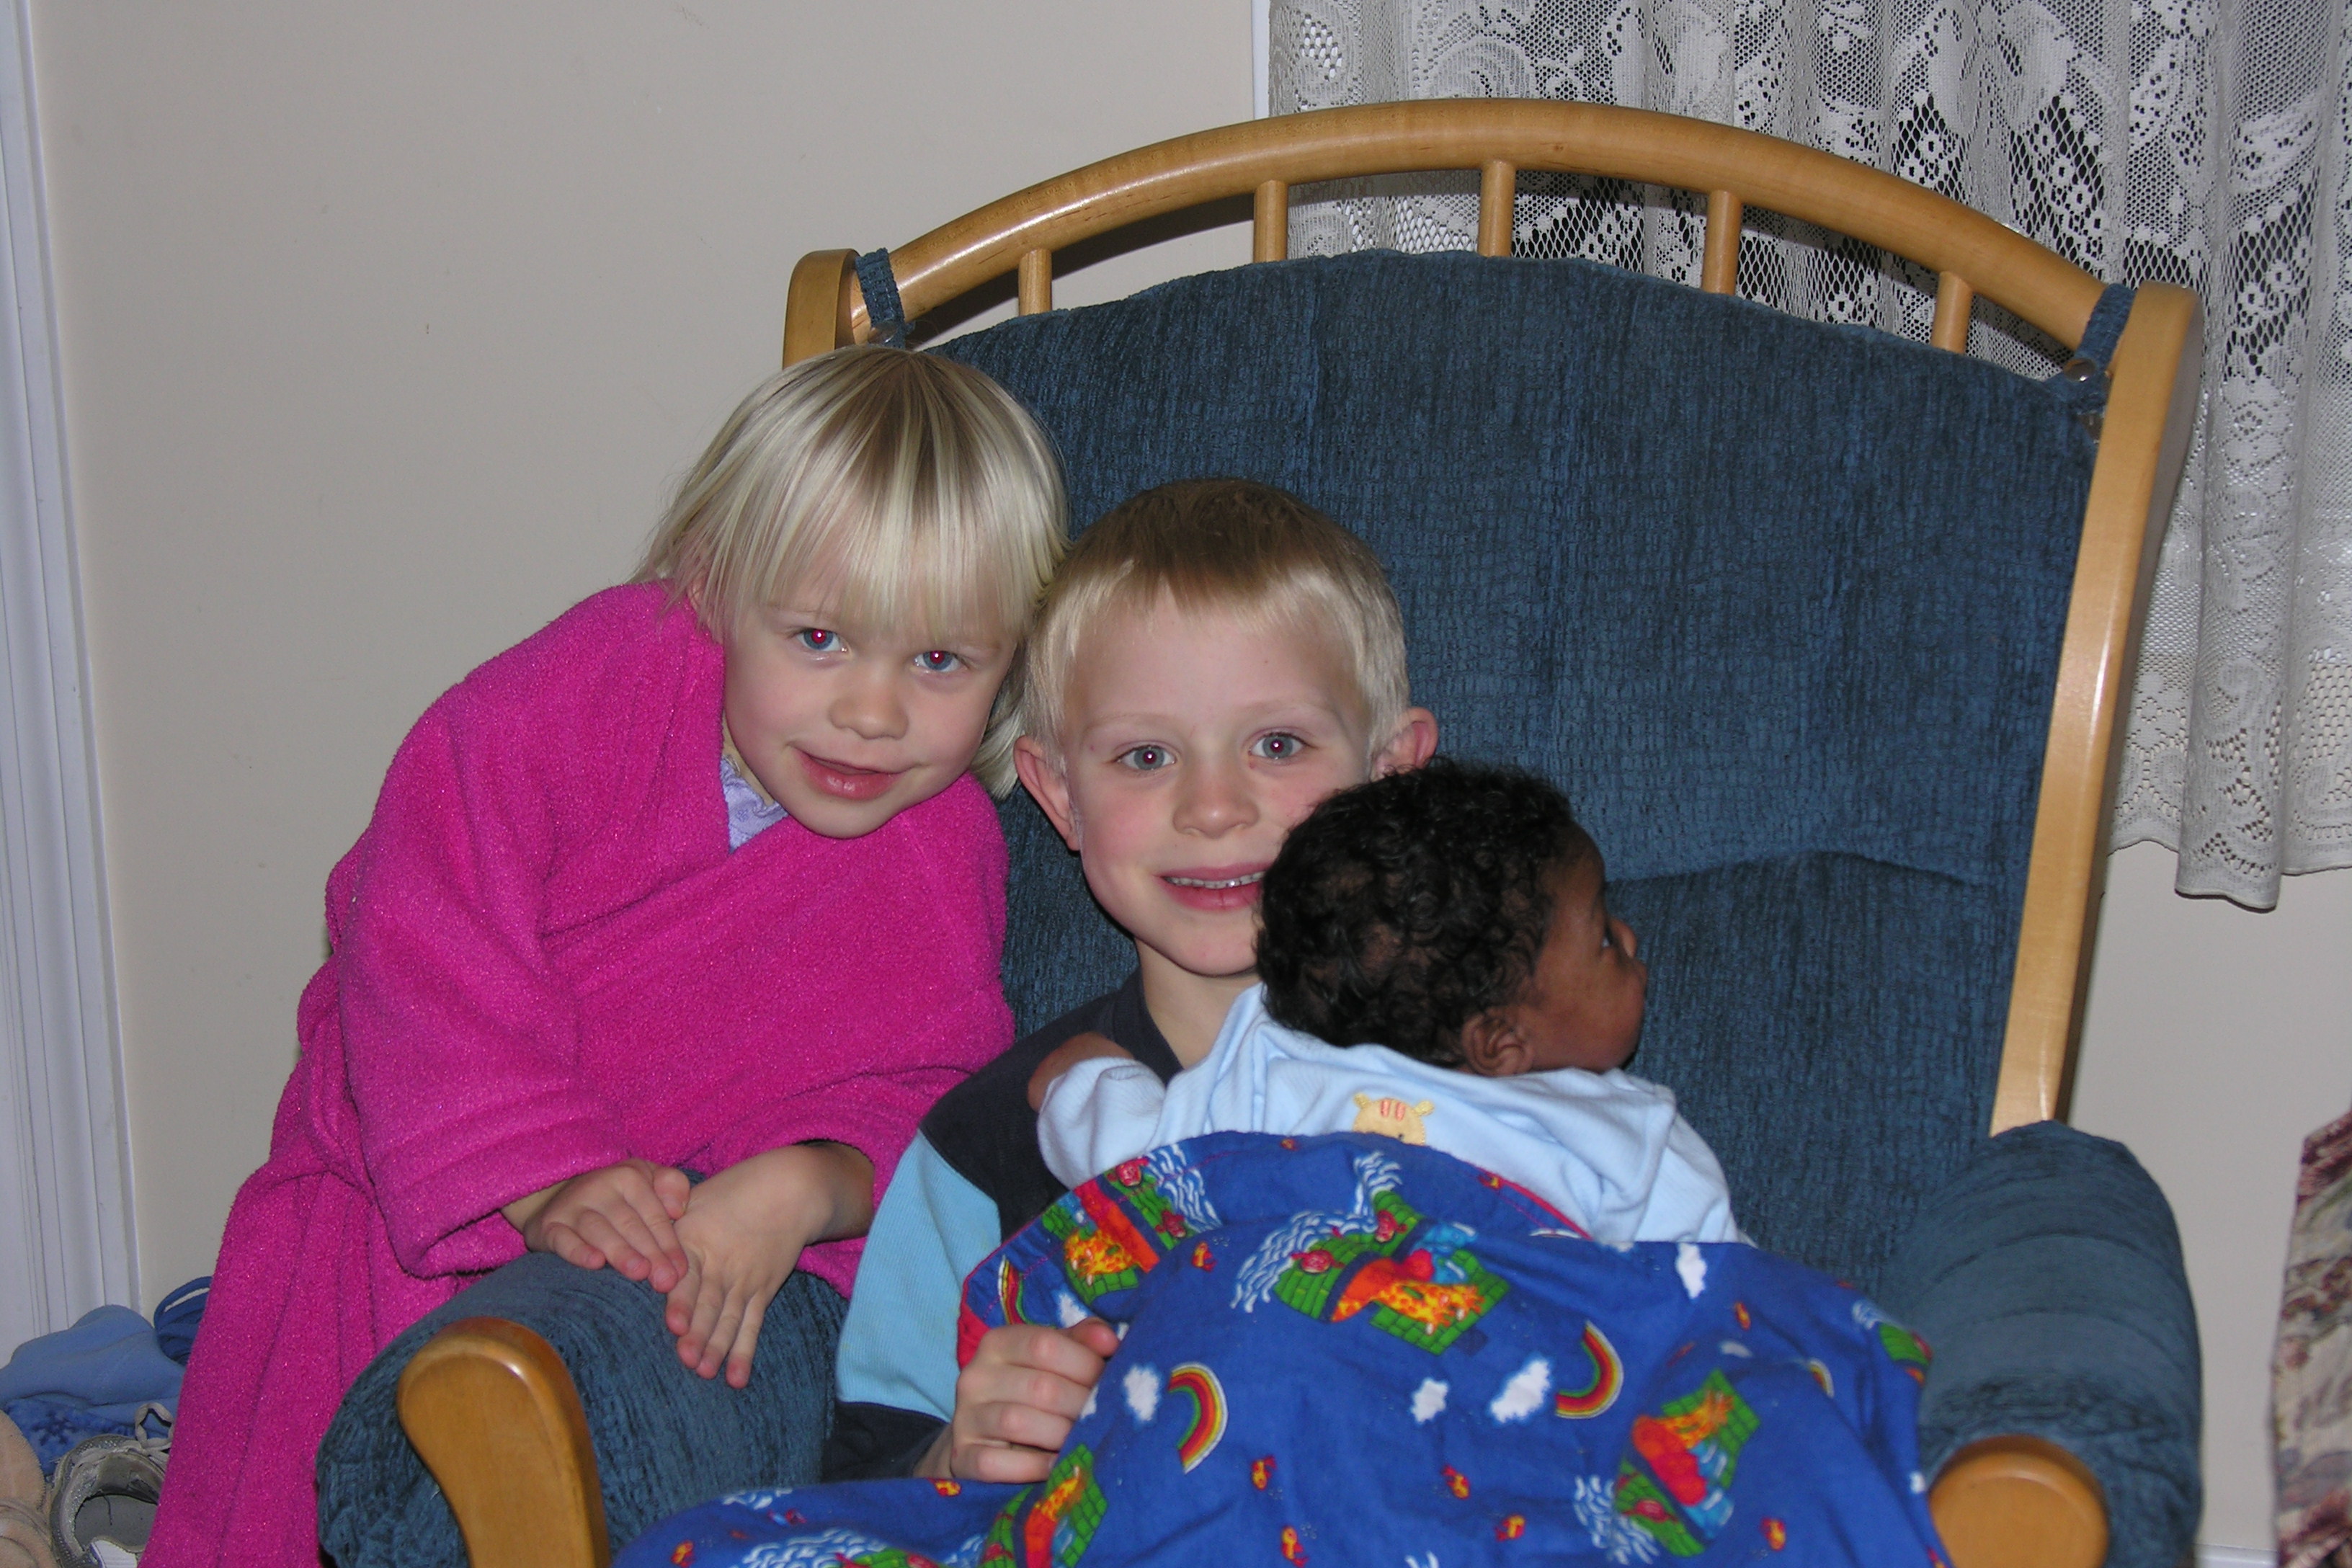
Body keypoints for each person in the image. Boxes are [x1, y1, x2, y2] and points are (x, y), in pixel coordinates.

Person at [146, 346, 1066, 1568]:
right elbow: (422, 922)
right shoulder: (585, 693)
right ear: (716, 580)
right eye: (818, 637)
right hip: (412, 1209)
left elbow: (936, 1094)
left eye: (941, 662)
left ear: (1012, 662)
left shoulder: (941, 850)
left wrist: (810, 1186)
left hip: (661, 1252)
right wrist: (539, 1174)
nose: (873, 712)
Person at [823, 477, 1438, 1484]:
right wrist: (962, 1450)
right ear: (1060, 795)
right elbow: (865, 1479)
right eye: (1146, 755)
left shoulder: (1479, 1080)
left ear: (1389, 774)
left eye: (1278, 744)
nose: (1213, 807)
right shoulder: (986, 1146)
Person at [1037, 758, 1740, 1243]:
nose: (1630, 935)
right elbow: (1724, 1296)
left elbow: (1145, 1169)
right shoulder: (1626, 1137)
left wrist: (1086, 1079)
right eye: (1604, 939)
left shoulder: (1277, 1073)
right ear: (1499, 1042)